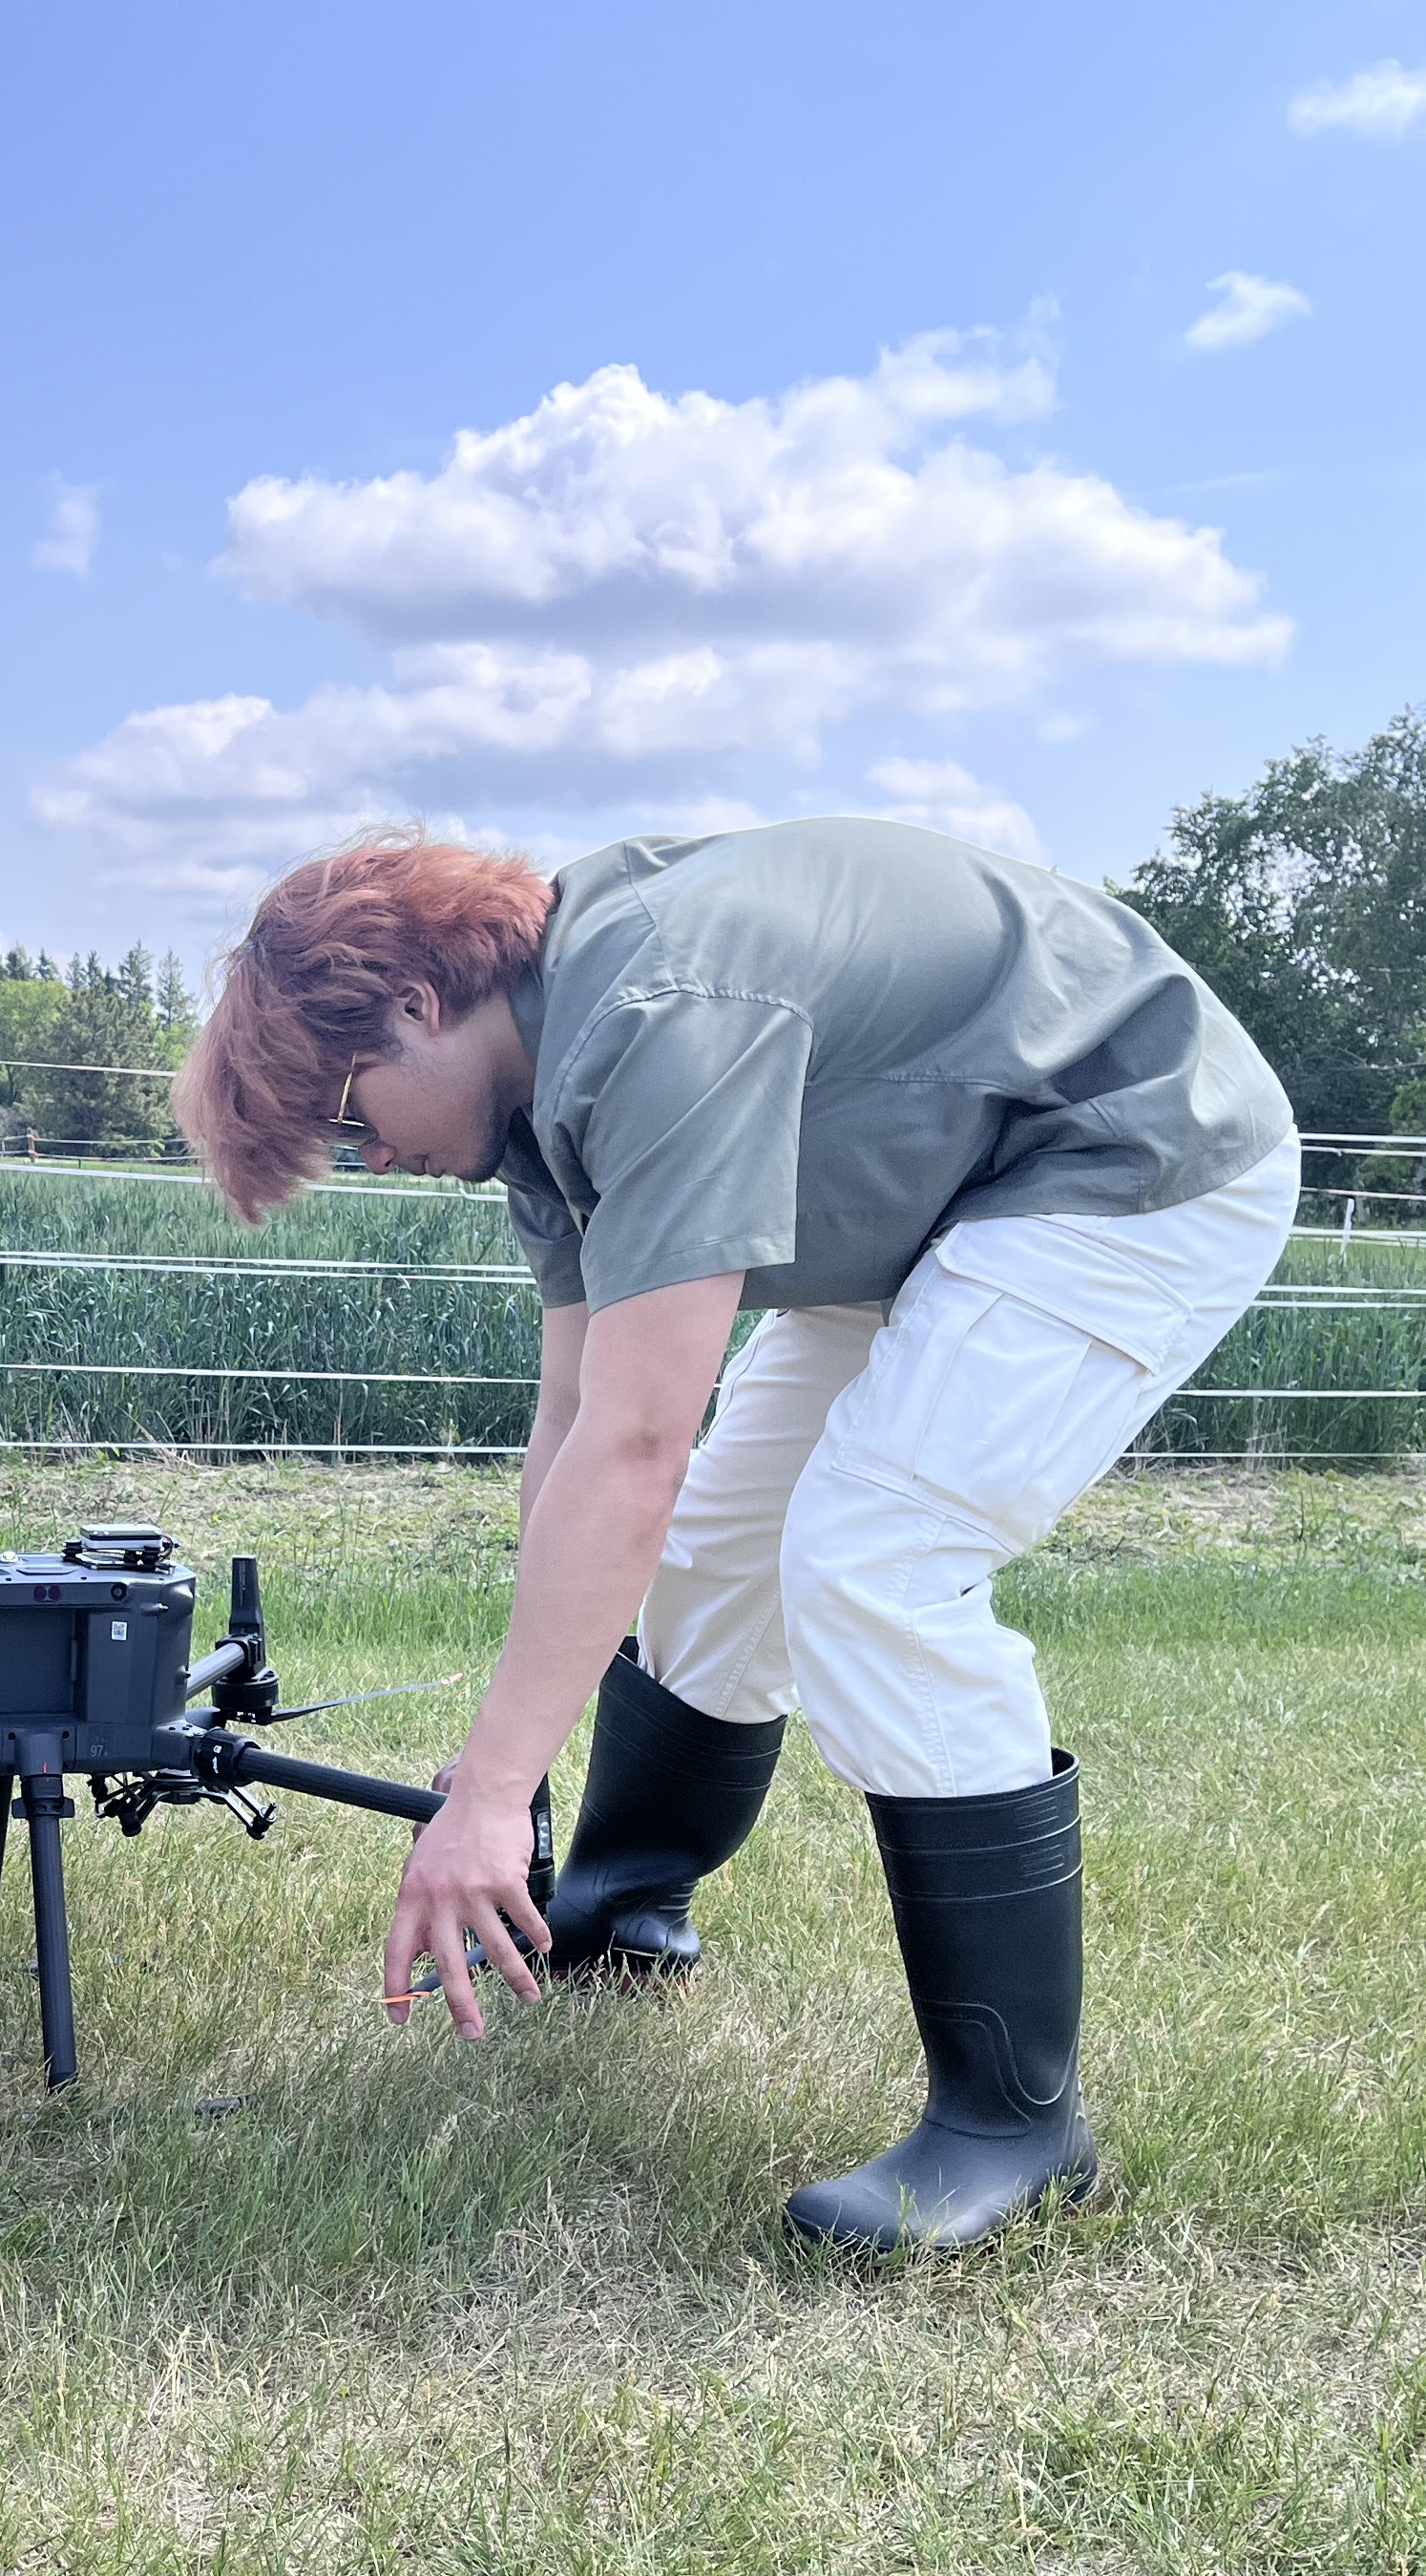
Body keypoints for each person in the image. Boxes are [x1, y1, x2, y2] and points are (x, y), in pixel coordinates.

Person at [175, 823, 1295, 2254]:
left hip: (1122, 1155)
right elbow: (581, 1427)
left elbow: (642, 1444)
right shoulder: (530, 1099)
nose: (372, 1152)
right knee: (714, 1554)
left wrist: (496, 1785)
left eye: (352, 1113)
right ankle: (624, 1921)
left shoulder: (650, 1014)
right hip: (928, 1206)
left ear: (413, 1002)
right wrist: (504, 1749)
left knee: (871, 1555)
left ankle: (1018, 2125)